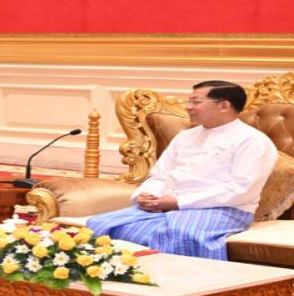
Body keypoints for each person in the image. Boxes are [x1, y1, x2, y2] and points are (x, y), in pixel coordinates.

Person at [87, 80, 277, 260]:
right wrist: (148, 195)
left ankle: (172, 283)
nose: (188, 107)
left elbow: (241, 190)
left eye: (196, 102)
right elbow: (160, 175)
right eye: (189, 101)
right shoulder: (185, 137)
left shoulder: (252, 141)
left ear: (224, 106)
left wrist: (179, 203)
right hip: (167, 205)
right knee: (98, 224)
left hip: (225, 210)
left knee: (179, 235)